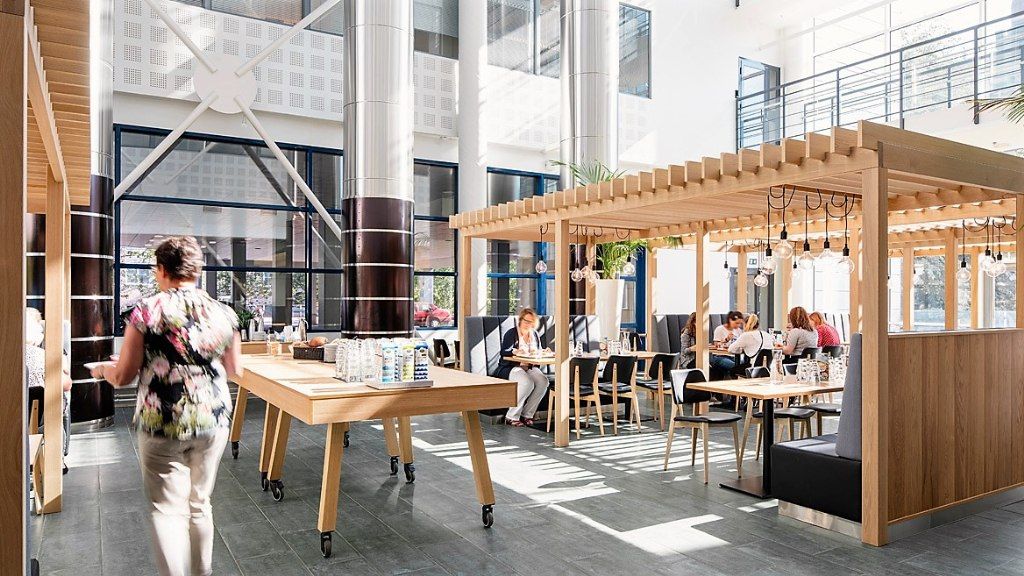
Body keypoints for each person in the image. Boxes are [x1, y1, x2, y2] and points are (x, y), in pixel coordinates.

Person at [92, 236, 241, 576]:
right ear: (197, 271)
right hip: (213, 420)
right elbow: (235, 370)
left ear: (161, 269)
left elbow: (124, 375)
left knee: (166, 510)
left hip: (162, 421)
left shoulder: (146, 311)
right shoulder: (224, 313)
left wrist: (103, 369)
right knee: (200, 504)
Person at [25, 308, 72, 472]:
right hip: (38, 418)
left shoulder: (7, 358)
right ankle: (57, 461)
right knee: (55, 416)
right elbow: (66, 385)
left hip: (10, 419)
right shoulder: (45, 357)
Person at [494, 308, 549, 427]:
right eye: (526, 321)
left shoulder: (534, 334)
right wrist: (516, 351)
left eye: (531, 322)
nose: (528, 324)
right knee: (527, 382)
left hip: (529, 366)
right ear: (520, 320)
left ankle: (527, 414)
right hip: (511, 367)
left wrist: (543, 352)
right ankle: (511, 416)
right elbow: (504, 352)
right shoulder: (512, 333)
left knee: (543, 382)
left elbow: (538, 350)